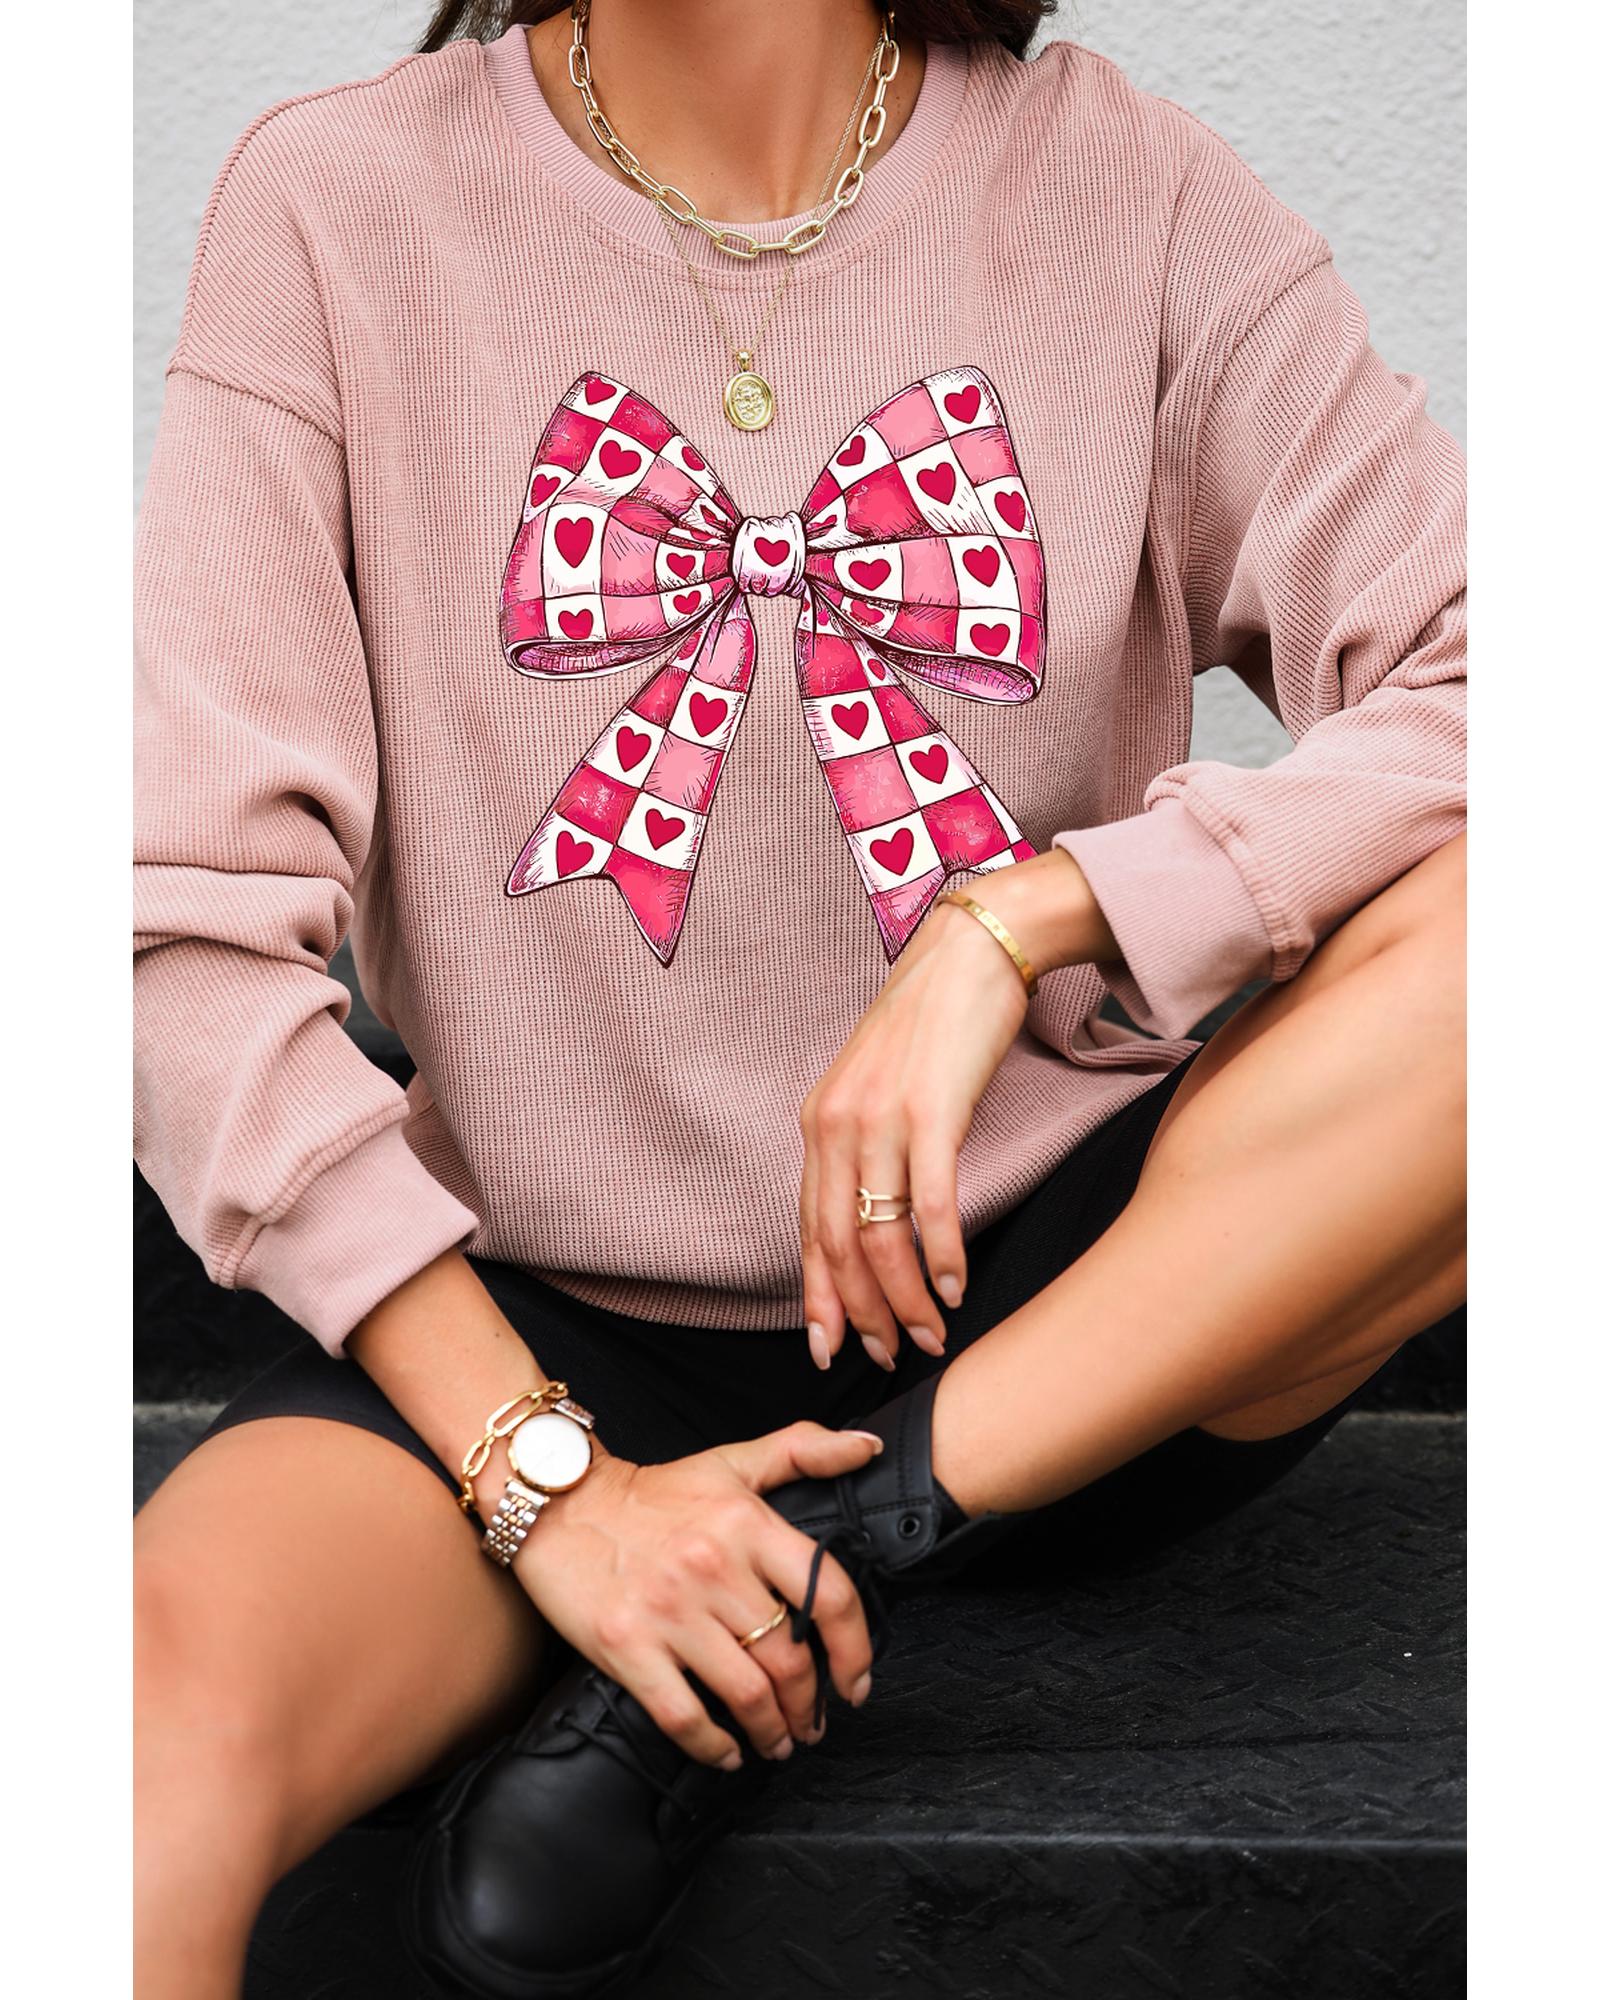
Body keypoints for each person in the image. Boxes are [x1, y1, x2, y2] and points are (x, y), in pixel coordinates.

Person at [131, 2, 1467, 1994]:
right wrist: (556, 1491)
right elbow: (174, 934)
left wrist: (1019, 922)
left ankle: (856, 1540)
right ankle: (729, 1575)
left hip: (1082, 1306)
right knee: (118, 1742)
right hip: (537, 1342)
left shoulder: (1134, 190)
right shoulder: (335, 207)